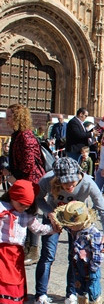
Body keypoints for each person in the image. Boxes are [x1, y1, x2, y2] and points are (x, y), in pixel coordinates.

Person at [34, 157, 104, 304]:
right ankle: (40, 295)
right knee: (48, 255)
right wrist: (49, 212)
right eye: (65, 183)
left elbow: (102, 208)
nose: (70, 186)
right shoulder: (47, 180)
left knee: (75, 257)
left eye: (73, 182)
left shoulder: (88, 182)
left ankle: (71, 294)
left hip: (77, 220)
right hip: (53, 216)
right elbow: (38, 197)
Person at [0, 180, 55, 304]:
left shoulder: (26, 215)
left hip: (16, 254)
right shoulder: (1, 208)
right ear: (13, 196)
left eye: (26, 205)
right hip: (1, 251)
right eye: (21, 204)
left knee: (15, 283)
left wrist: (53, 229)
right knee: (4, 282)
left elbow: (38, 228)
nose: (24, 207)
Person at [3, 104, 47, 264]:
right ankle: (22, 246)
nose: (6, 119)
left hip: (30, 182)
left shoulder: (26, 136)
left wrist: (13, 177)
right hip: (21, 180)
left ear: (17, 117)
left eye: (9, 116)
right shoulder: (18, 134)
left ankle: (33, 250)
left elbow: (28, 164)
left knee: (29, 211)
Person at [53, 201, 104, 304]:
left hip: (91, 267)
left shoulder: (94, 233)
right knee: (80, 289)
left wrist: (93, 267)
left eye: (71, 225)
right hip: (78, 265)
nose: (69, 227)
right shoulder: (75, 230)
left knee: (93, 290)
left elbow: (98, 253)